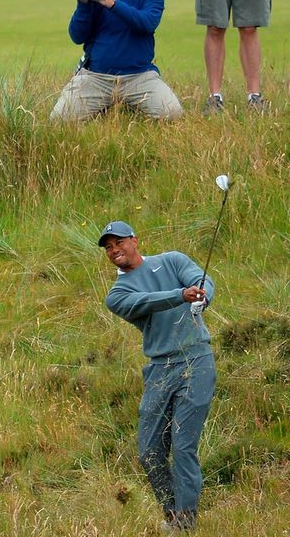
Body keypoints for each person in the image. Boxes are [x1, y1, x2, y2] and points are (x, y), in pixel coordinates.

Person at [98, 221, 216, 532]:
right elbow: (147, 302)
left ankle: (185, 523)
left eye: (119, 242)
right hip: (160, 368)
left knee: (183, 446)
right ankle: (173, 513)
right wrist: (181, 295)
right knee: (149, 451)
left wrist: (203, 295)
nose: (114, 250)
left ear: (135, 240)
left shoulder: (172, 259)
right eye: (108, 247)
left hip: (196, 361)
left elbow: (201, 279)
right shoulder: (118, 294)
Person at [52, 0, 183, 122]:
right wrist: (83, 1)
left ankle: (121, 106)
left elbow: (147, 23)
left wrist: (112, 4)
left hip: (140, 76)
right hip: (97, 76)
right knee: (60, 120)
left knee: (172, 114)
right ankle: (105, 107)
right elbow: (77, 36)